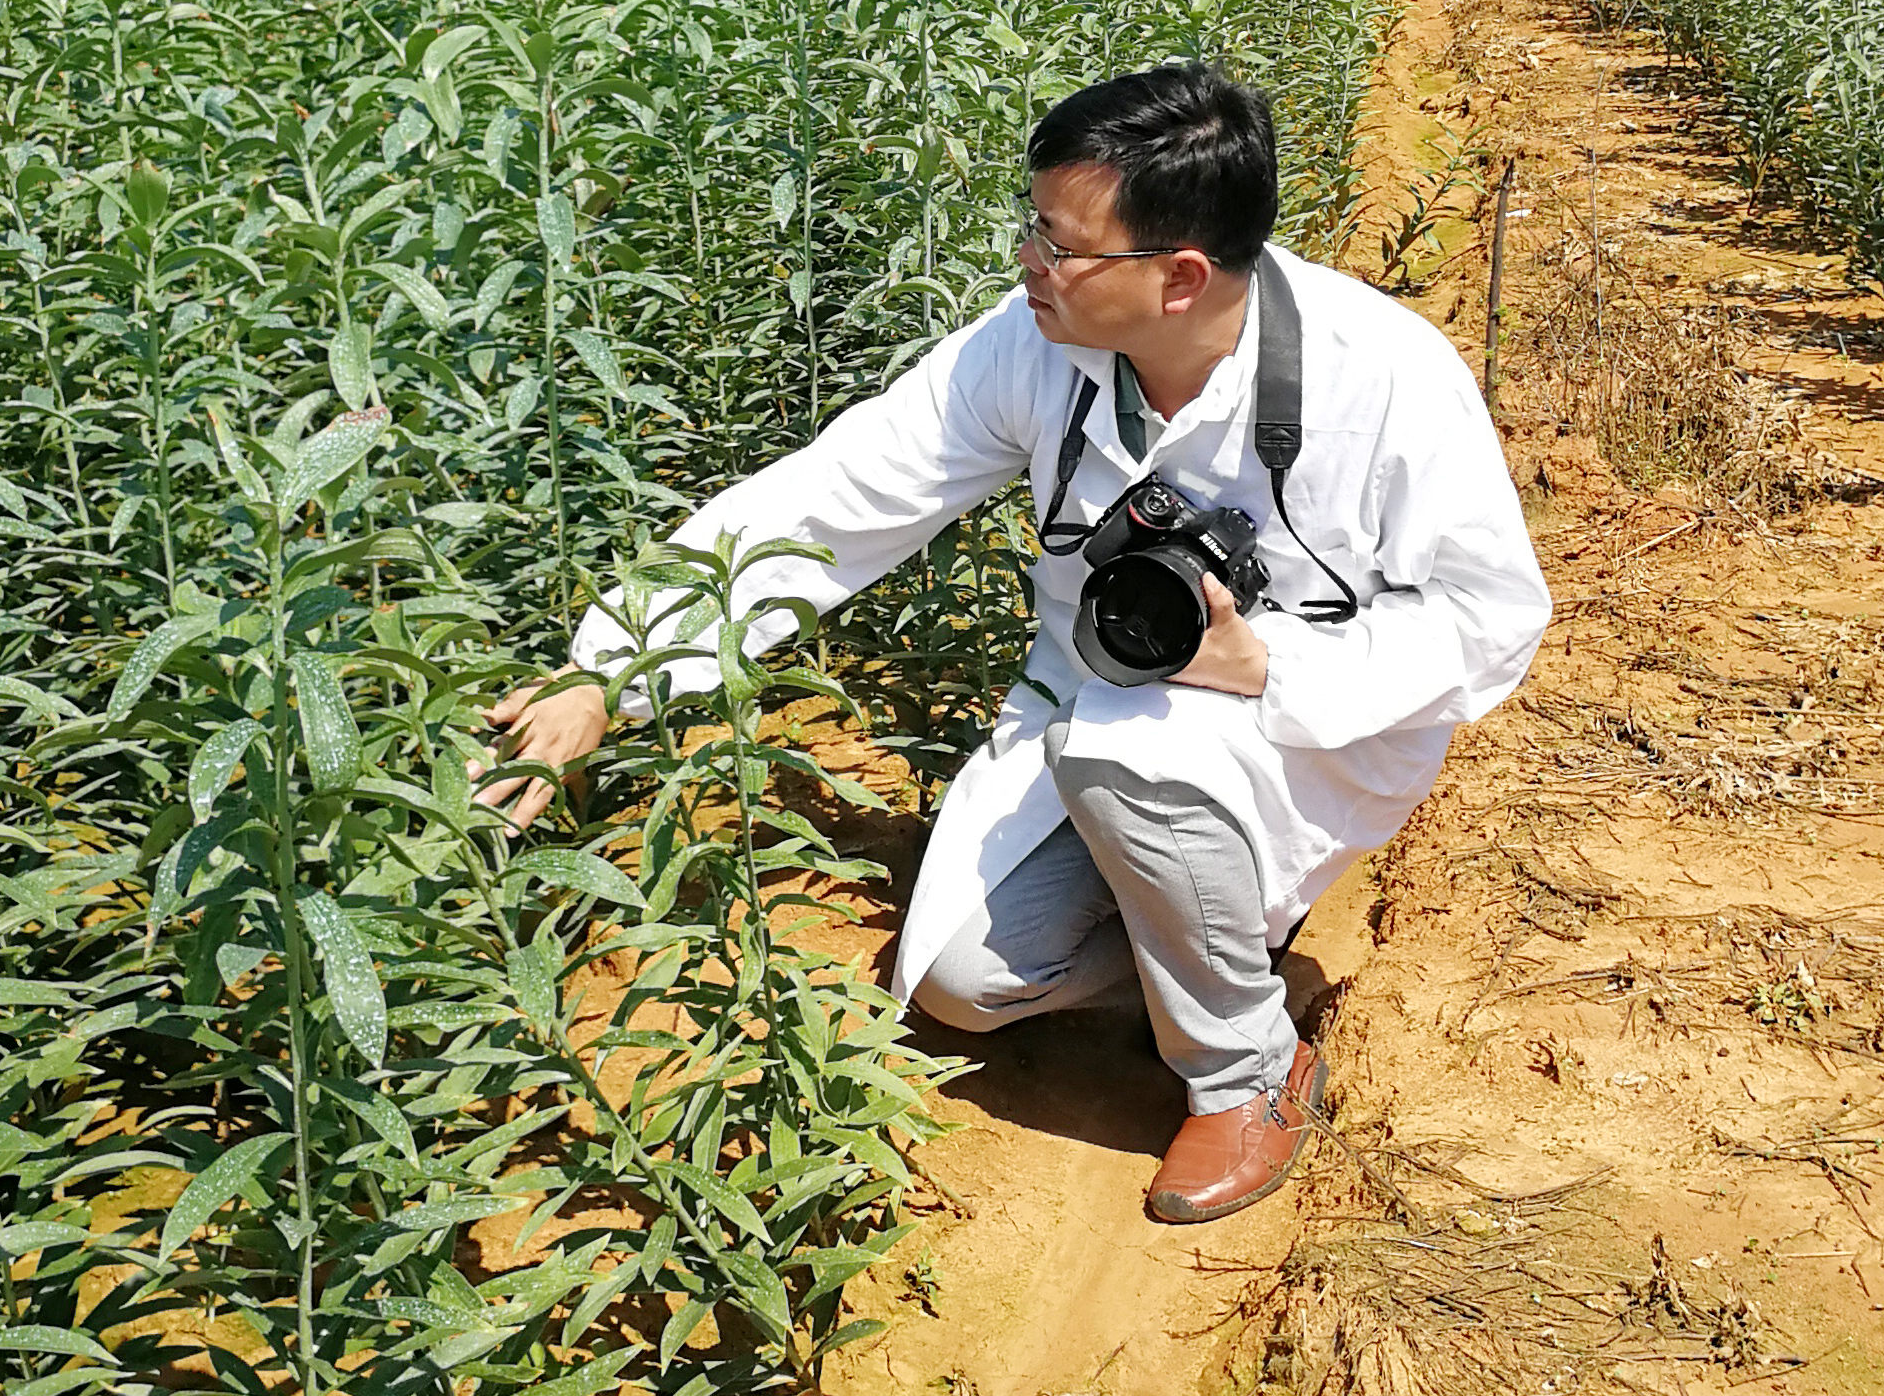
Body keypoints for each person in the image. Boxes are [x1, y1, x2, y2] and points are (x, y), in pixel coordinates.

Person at [476, 62, 1550, 1224]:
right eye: (1031, 229)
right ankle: (1207, 934)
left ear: (1180, 276)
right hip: (1097, 711)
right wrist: (613, 669)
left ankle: (1245, 1070)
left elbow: (1492, 618)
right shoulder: (1034, 346)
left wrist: (1271, 664)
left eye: (1059, 245)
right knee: (961, 985)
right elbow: (838, 498)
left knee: (1139, 752)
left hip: (1318, 728)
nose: (1029, 266)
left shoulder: (1383, 377)